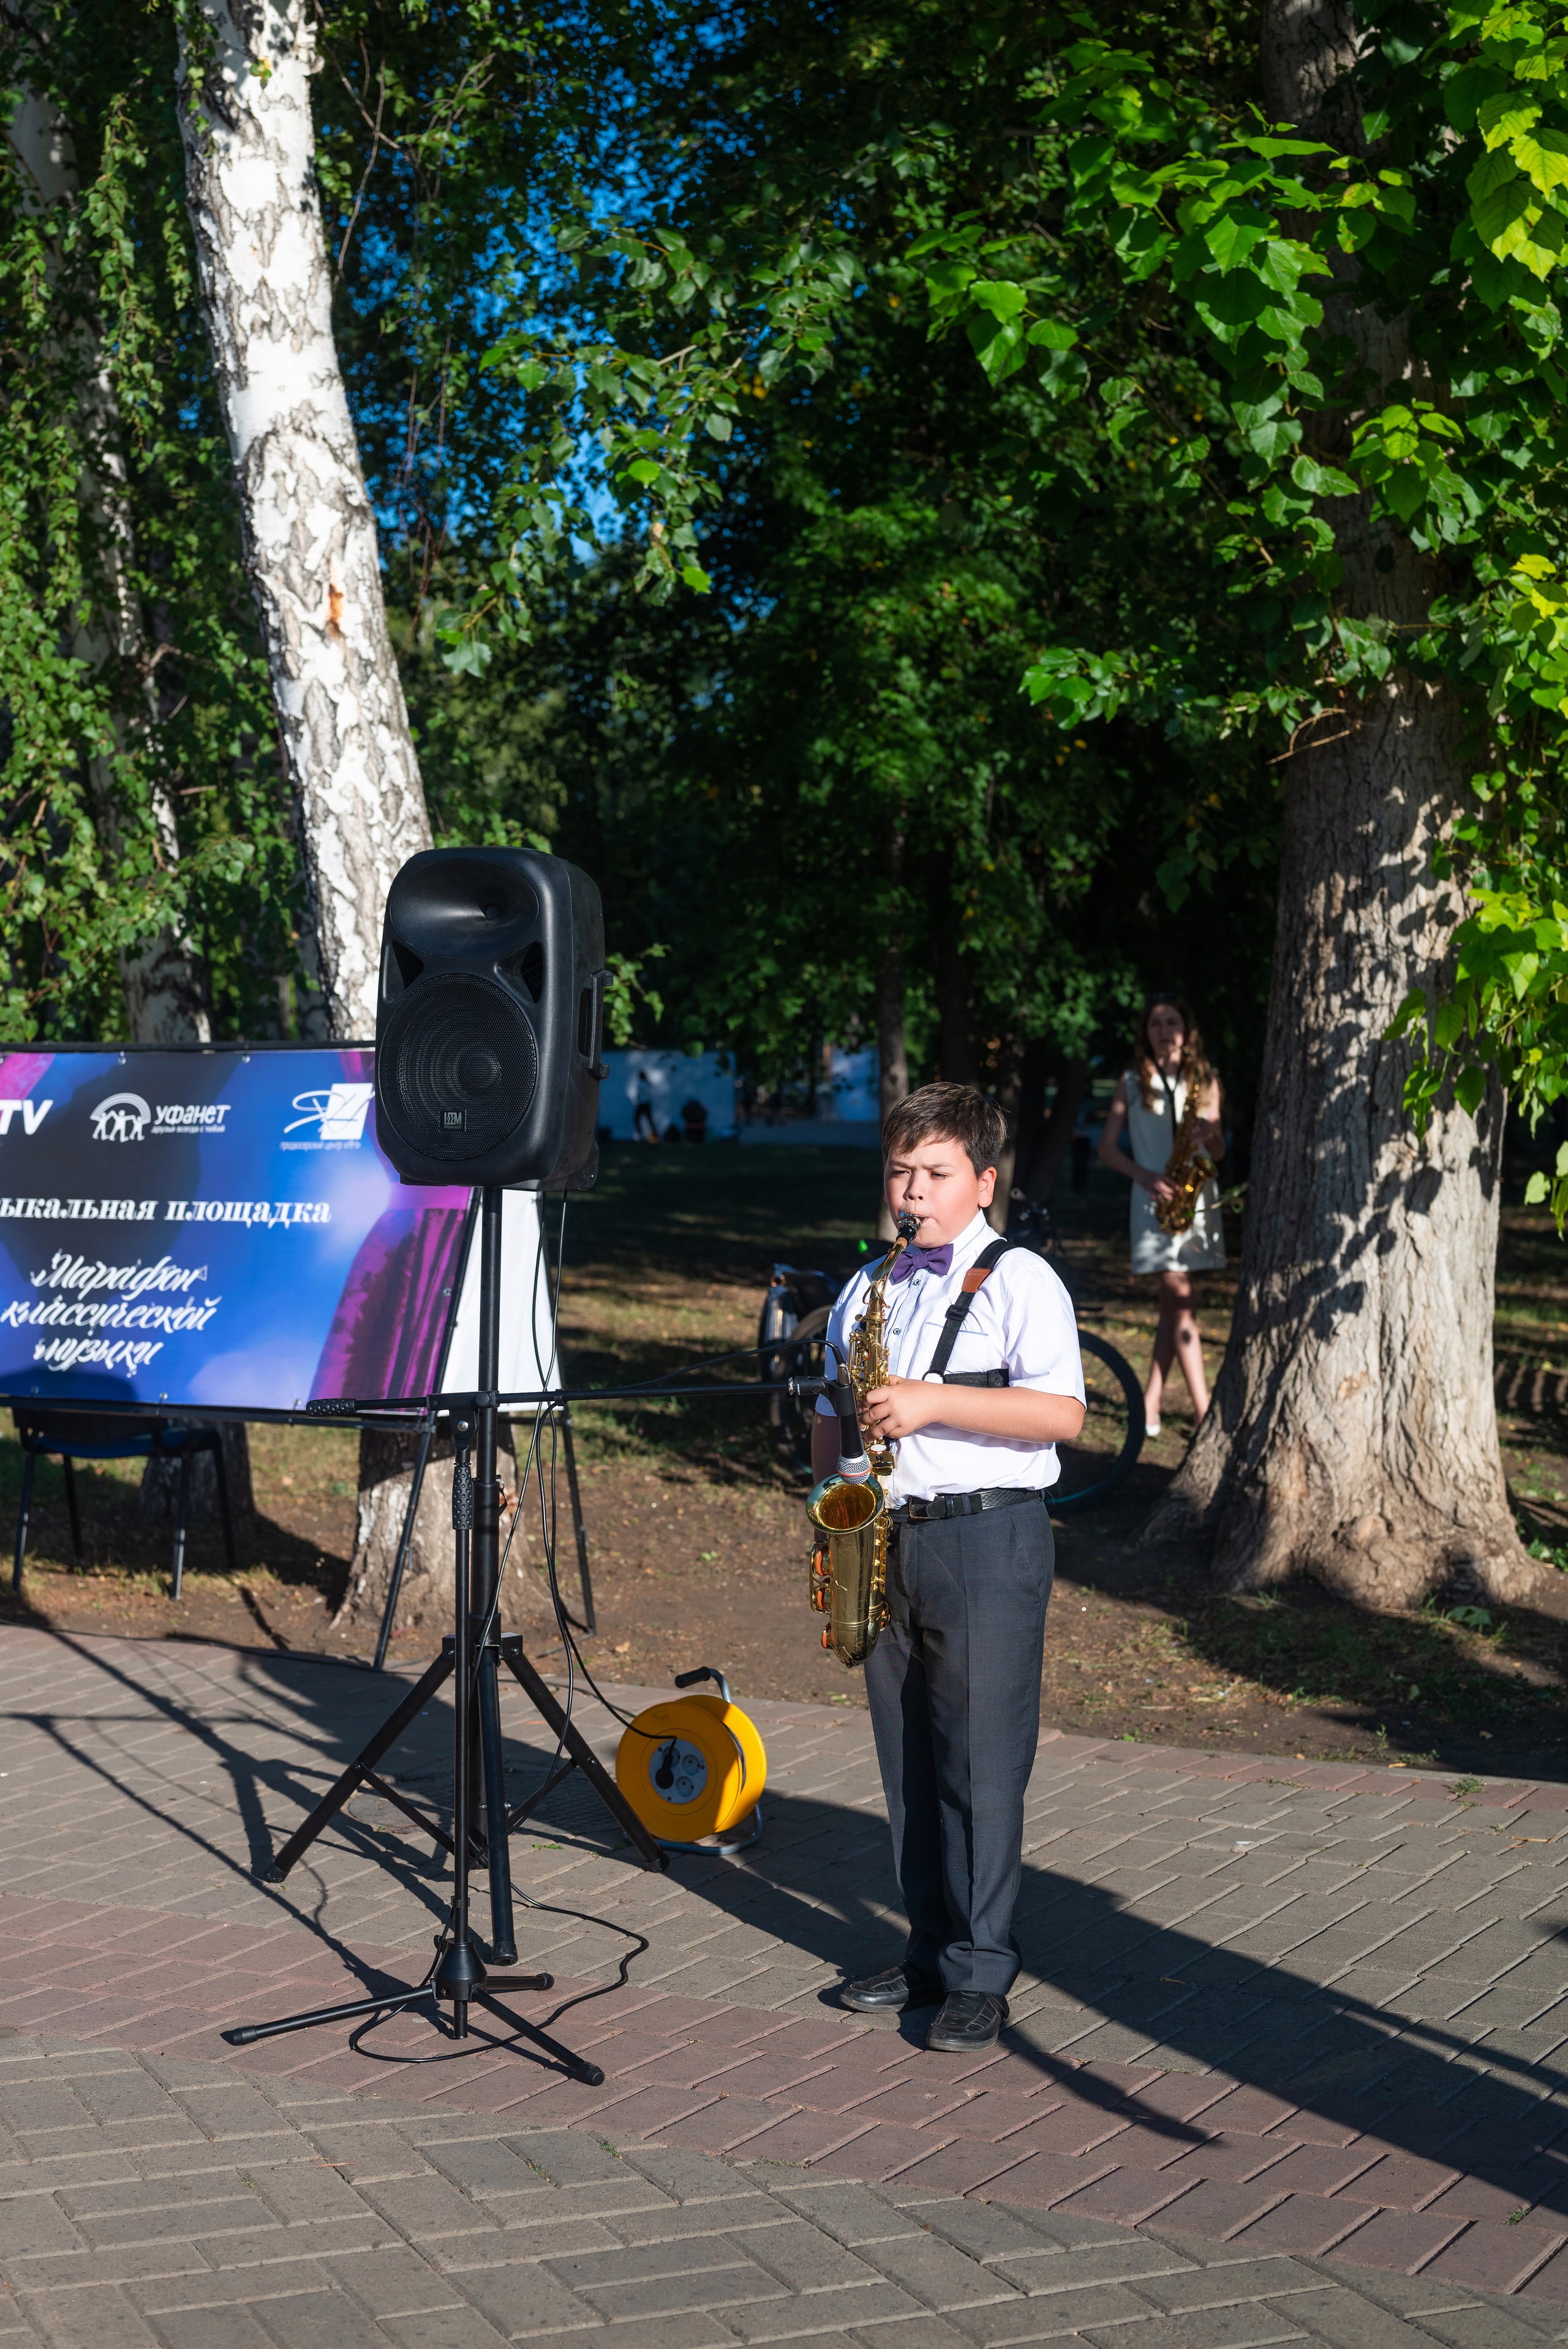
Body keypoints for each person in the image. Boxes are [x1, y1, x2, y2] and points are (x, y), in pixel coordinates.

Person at [814, 1083, 1086, 2054]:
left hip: (987, 1538)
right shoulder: (870, 1284)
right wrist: (832, 1507)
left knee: (981, 1763)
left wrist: (934, 1402)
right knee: (910, 1766)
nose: (912, 1192)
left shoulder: (1022, 1281)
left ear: (983, 1182)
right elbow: (830, 1408)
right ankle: (927, 1948)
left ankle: (981, 1970)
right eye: (900, 1171)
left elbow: (1062, 1415)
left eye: (934, 1174)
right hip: (886, 1535)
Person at [1096, 993, 1225, 1438]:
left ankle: (1149, 1402)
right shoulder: (1131, 1080)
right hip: (1153, 1201)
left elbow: (1220, 1149)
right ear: (1146, 1032)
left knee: (1173, 1306)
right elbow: (1106, 1147)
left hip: (1196, 1199)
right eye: (1155, 1023)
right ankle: (1205, 1412)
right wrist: (1146, 1176)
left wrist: (1211, 1134)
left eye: (1172, 1021)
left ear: (1186, 1031)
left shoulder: (1206, 1080)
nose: (1164, 1030)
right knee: (1181, 1297)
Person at [632, 1071, 657, 1143]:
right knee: (650, 1120)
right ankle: (655, 1135)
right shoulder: (647, 1084)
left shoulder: (640, 1084)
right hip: (647, 1104)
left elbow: (638, 1094)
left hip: (642, 1104)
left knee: (637, 1119)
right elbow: (650, 1094)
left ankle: (640, 1135)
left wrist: (638, 1099)